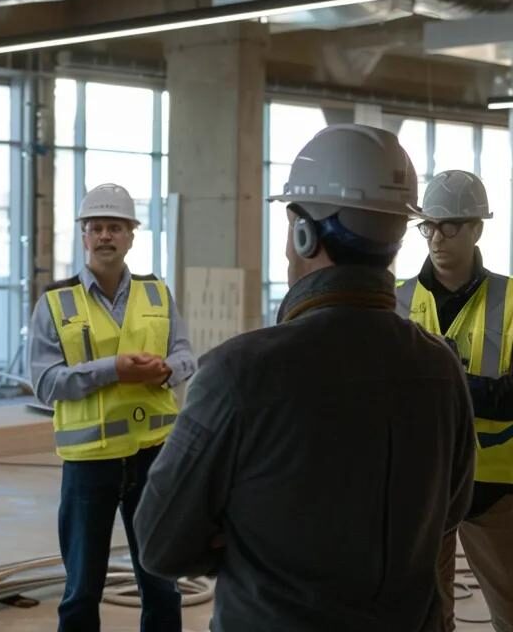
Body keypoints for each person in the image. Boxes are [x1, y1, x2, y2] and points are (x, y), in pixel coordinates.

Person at [134, 125, 476, 632]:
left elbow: (160, 542)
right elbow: (449, 513)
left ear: (303, 233)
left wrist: (249, 534)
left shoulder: (239, 372)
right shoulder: (439, 368)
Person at [29, 182, 195, 632]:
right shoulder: (56, 303)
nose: (106, 236)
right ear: (84, 235)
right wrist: (114, 370)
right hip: (89, 463)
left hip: (153, 457)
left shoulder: (157, 293)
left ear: (131, 236)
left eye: (115, 228)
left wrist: (163, 371)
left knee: (161, 583)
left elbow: (186, 356)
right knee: (82, 589)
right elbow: (44, 383)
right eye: (97, 227)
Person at [397, 169, 513, 632]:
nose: (436, 238)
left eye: (450, 226)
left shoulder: (510, 299)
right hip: (421, 484)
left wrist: (443, 375)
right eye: (428, 225)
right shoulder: (398, 299)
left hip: (495, 487)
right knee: (426, 617)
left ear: (477, 228)